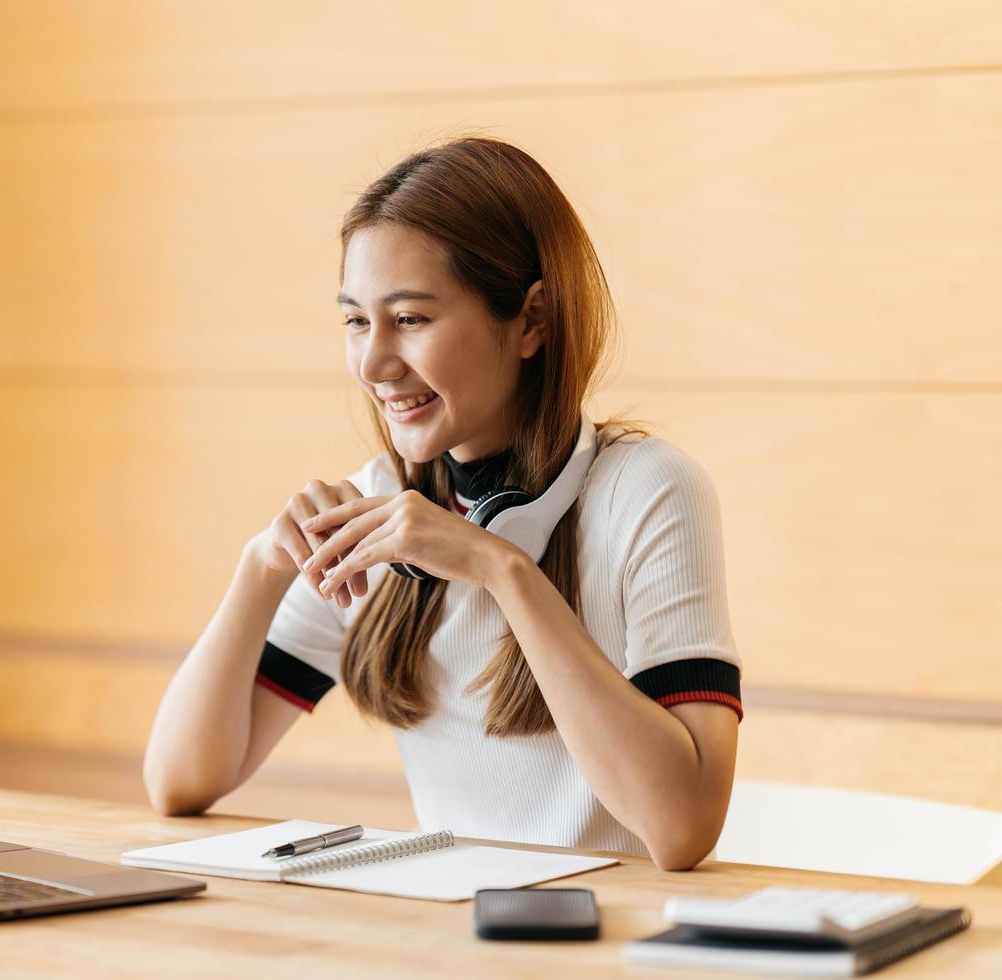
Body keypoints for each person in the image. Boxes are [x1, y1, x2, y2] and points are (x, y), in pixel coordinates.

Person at [142, 136, 742, 871]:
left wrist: (502, 570)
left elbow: (681, 829)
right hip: (453, 937)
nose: (373, 364)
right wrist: (261, 567)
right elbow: (179, 780)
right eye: (357, 321)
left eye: (412, 319)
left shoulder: (647, 491)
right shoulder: (380, 509)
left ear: (531, 321)